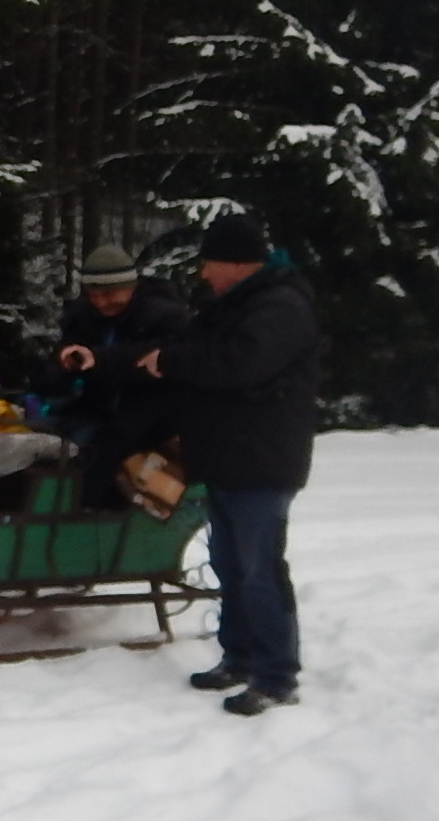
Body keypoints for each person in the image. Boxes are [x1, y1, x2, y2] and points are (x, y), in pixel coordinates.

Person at [134, 213, 320, 718]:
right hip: (227, 458)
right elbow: (196, 348)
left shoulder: (280, 306)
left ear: (237, 262)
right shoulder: (236, 304)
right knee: (229, 565)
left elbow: (240, 365)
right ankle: (238, 658)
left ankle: (276, 676)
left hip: (262, 461)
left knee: (260, 570)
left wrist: (173, 363)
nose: (203, 273)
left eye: (209, 263)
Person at [35, 243, 190, 504]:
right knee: (41, 437)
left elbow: (150, 360)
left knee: (100, 452)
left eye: (109, 294)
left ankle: (89, 514)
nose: (100, 302)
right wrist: (63, 363)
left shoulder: (165, 316)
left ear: (130, 286)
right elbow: (64, 355)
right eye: (93, 295)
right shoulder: (83, 315)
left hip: (150, 411)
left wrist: (98, 359)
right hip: (94, 407)